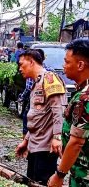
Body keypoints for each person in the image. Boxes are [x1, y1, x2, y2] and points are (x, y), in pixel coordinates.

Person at [15, 50, 67, 186]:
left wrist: (57, 137)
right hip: (34, 146)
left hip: (46, 148)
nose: (20, 69)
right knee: (31, 182)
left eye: (21, 64)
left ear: (31, 61)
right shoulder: (36, 83)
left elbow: (58, 110)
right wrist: (26, 141)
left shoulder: (49, 79)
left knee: (42, 182)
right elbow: (36, 119)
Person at [48, 39, 89, 187]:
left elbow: (77, 142)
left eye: (66, 62)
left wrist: (59, 175)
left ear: (80, 65)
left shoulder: (86, 97)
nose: (63, 66)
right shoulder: (81, 91)